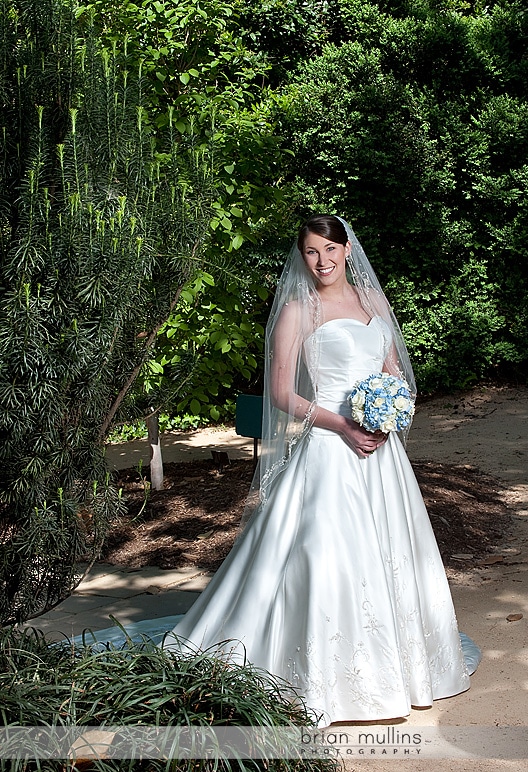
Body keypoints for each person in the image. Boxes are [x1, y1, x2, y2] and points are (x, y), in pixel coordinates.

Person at [162, 214, 478, 725]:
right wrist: (344, 425)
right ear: (302, 256)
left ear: (347, 251)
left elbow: (391, 371)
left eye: (331, 250)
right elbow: (282, 394)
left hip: (382, 452)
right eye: (312, 252)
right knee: (323, 554)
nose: (323, 261)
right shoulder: (296, 311)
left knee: (392, 554)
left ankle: (397, 671)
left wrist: (389, 412)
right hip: (331, 447)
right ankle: (323, 676)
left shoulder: (374, 303)